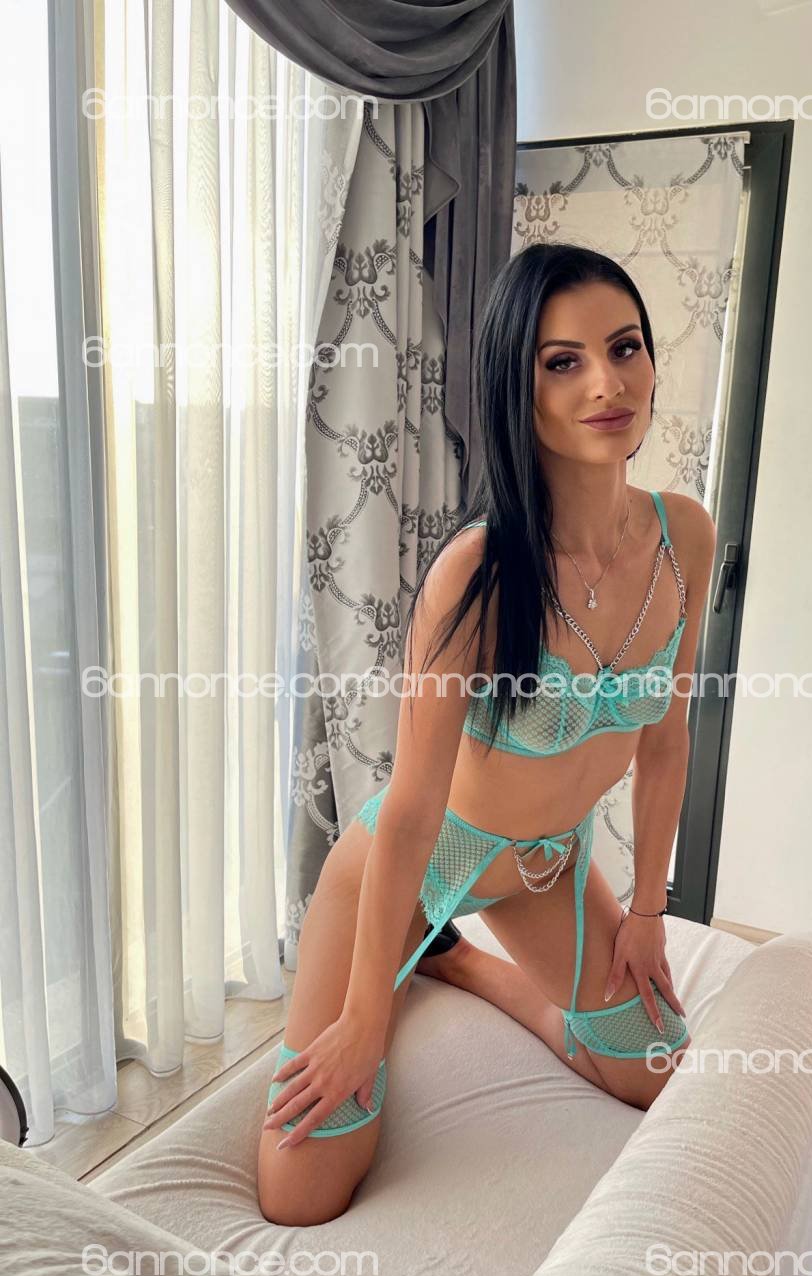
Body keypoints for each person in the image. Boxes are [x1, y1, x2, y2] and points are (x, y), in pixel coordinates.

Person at [258, 242, 717, 1226]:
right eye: (563, 362)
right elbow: (411, 808)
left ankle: (459, 963)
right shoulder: (476, 572)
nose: (607, 383)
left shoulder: (685, 535)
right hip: (416, 863)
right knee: (301, 1197)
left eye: (624, 347)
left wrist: (647, 910)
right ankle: (407, 961)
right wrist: (362, 1018)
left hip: (547, 868)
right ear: (519, 385)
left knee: (659, 1071)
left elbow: (666, 740)